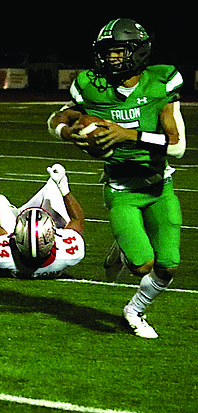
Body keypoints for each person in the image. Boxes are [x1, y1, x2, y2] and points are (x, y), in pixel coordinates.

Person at [47, 18, 185, 338]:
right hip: (121, 189)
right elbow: (58, 117)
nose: (109, 58)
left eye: (117, 51)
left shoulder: (160, 82)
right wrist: (66, 131)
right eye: (106, 52)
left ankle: (134, 309)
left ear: (138, 52)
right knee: (142, 267)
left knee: (169, 267)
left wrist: (129, 135)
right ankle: (127, 265)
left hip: (159, 186)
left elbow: (177, 146)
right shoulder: (92, 85)